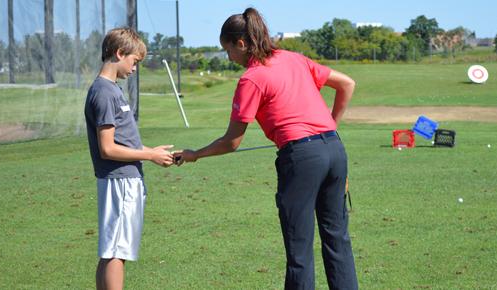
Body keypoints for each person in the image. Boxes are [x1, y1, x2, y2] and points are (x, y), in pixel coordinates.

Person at [174, 8, 358, 290]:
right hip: (334, 150)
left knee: (299, 250)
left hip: (302, 159)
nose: (229, 58)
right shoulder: (294, 59)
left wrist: (195, 154)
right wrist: (330, 129)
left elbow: (231, 141)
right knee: (337, 240)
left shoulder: (251, 79)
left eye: (228, 51)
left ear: (242, 44)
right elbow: (347, 84)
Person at [84, 27, 175, 290]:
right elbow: (108, 149)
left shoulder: (111, 89)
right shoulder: (104, 92)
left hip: (122, 181)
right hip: (120, 182)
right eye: (134, 61)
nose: (135, 69)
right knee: (116, 252)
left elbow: (123, 142)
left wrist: (153, 152)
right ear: (120, 53)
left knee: (112, 249)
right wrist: (149, 155)